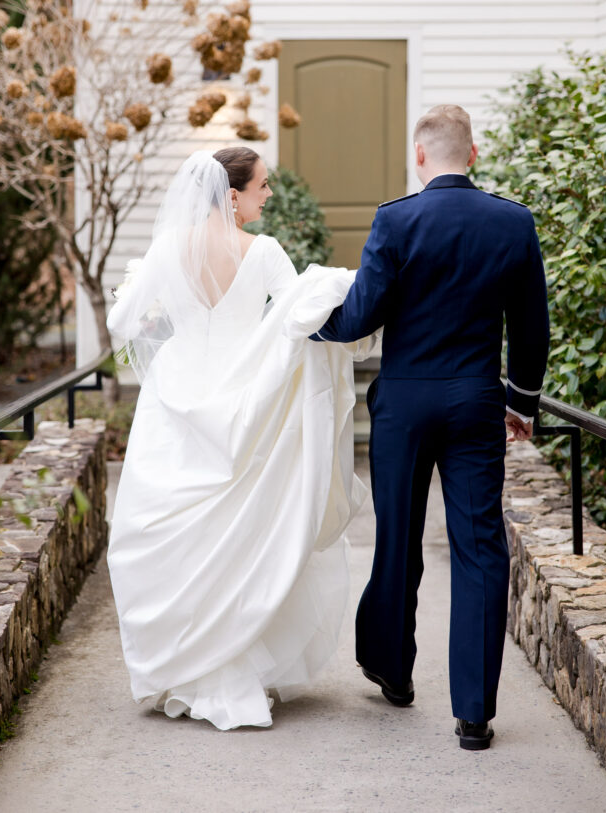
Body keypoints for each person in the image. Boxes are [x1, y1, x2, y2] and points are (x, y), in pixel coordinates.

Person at [105, 147, 374, 731]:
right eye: (262, 187)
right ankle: (236, 661)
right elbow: (305, 312)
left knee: (178, 533)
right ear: (232, 196)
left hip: (176, 398)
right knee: (244, 532)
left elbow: (121, 324)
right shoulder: (267, 252)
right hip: (244, 395)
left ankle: (184, 665)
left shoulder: (167, 247)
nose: (268, 196)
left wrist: (156, 310)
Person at [311, 104, 549, 750]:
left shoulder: (395, 219)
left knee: (399, 538)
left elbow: (360, 313)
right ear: (471, 154)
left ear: (420, 156)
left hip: (404, 408)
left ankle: (392, 668)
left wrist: (306, 324)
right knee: (478, 547)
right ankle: (473, 713)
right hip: (476, 402)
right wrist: (521, 402)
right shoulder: (512, 222)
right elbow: (531, 327)